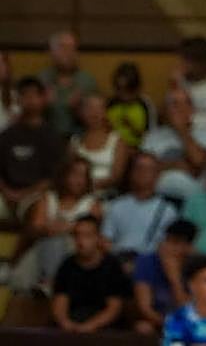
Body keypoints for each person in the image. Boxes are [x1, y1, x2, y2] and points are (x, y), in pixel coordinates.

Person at [12, 156, 101, 292]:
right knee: (48, 244)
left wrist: (63, 228)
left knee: (56, 241)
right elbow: (37, 227)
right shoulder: (48, 199)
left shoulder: (92, 204)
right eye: (75, 174)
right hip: (43, 246)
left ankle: (51, 282)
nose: (78, 180)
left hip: (75, 251)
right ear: (64, 175)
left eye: (83, 176)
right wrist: (53, 229)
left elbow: (89, 231)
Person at [0, 75, 64, 221]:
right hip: (6, 194)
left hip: (37, 194)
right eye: (24, 95)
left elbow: (52, 177)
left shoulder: (52, 137)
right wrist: (7, 192)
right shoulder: (7, 135)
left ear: (43, 99)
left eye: (34, 95)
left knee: (39, 208)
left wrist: (23, 194)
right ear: (17, 99)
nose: (29, 100)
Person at [51, 215, 130, 333]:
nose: (80, 241)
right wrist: (66, 323)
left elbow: (114, 308)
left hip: (104, 327)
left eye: (87, 236)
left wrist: (90, 326)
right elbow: (60, 302)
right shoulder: (67, 265)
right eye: (77, 235)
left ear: (98, 238)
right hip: (72, 324)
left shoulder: (112, 266)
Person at [142, 87, 206, 202]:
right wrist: (177, 165)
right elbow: (143, 171)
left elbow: (198, 162)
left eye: (187, 103)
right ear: (165, 110)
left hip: (192, 202)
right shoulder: (152, 137)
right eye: (175, 104)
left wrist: (181, 129)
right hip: (155, 199)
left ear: (193, 110)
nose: (182, 109)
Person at [103, 151, 180, 261]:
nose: (143, 173)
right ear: (131, 172)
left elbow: (170, 246)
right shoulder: (116, 205)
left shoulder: (168, 210)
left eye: (148, 169)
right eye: (139, 168)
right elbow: (106, 240)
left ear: (157, 175)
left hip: (151, 264)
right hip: (118, 262)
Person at [132, 218, 197, 334]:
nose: (167, 247)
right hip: (159, 321)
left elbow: (190, 312)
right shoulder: (146, 262)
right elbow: (145, 308)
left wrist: (174, 278)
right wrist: (170, 325)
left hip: (189, 323)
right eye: (167, 240)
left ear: (189, 248)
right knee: (143, 327)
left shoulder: (198, 267)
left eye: (176, 243)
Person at [39, 30, 98, 137]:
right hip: (45, 138)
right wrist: (42, 105)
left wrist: (79, 110)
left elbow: (97, 121)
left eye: (73, 48)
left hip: (79, 139)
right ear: (51, 51)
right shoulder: (42, 79)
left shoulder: (87, 81)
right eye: (63, 47)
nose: (68, 52)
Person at [72, 91, 132, 193]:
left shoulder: (118, 141)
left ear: (105, 112)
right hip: (77, 194)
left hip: (106, 195)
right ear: (81, 112)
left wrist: (89, 186)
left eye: (99, 108)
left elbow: (117, 177)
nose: (94, 112)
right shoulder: (75, 141)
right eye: (89, 108)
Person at [108, 60, 156, 147]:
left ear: (137, 88)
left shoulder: (145, 104)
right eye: (119, 89)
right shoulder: (110, 104)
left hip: (139, 148)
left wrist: (132, 127)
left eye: (128, 91)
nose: (124, 96)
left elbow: (150, 134)